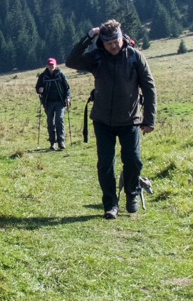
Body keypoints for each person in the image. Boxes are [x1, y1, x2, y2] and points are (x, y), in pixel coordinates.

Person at [65, 19, 156, 219]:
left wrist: (149, 119)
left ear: (122, 36)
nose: (114, 46)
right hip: (102, 120)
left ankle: (131, 192)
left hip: (130, 119)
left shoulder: (134, 57)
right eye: (109, 43)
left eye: (117, 41)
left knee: (133, 160)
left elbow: (149, 87)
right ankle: (110, 204)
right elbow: (71, 61)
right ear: (103, 43)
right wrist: (89, 36)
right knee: (105, 164)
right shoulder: (97, 57)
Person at [35, 57, 71, 150]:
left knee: (59, 120)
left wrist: (67, 97)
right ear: (47, 66)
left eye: (53, 65)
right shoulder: (43, 76)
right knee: (50, 123)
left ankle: (61, 142)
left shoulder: (60, 75)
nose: (51, 66)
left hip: (60, 102)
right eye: (49, 65)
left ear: (56, 65)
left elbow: (67, 87)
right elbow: (37, 87)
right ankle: (52, 143)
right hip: (48, 103)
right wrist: (39, 90)